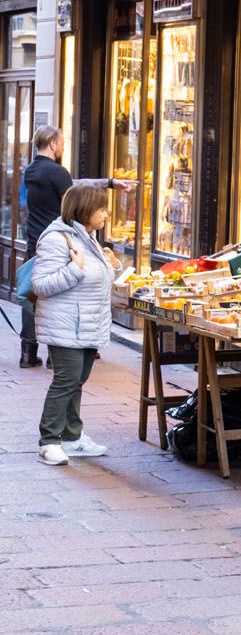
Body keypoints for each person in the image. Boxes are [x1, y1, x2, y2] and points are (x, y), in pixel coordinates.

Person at [20, 126, 121, 368]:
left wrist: (107, 182)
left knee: (33, 294)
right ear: (53, 144)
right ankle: (60, 355)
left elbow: (74, 182)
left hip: (36, 239)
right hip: (63, 241)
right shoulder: (57, 172)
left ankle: (27, 351)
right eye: (63, 143)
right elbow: (77, 203)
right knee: (63, 297)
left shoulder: (31, 170)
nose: (64, 147)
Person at [30, 185, 115, 465]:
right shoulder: (56, 239)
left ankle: (72, 436)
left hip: (88, 322)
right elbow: (40, 284)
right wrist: (73, 270)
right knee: (65, 380)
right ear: (85, 209)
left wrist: (110, 265)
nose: (106, 213)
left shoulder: (88, 237)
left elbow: (96, 280)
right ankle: (49, 441)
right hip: (65, 323)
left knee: (77, 381)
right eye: (101, 207)